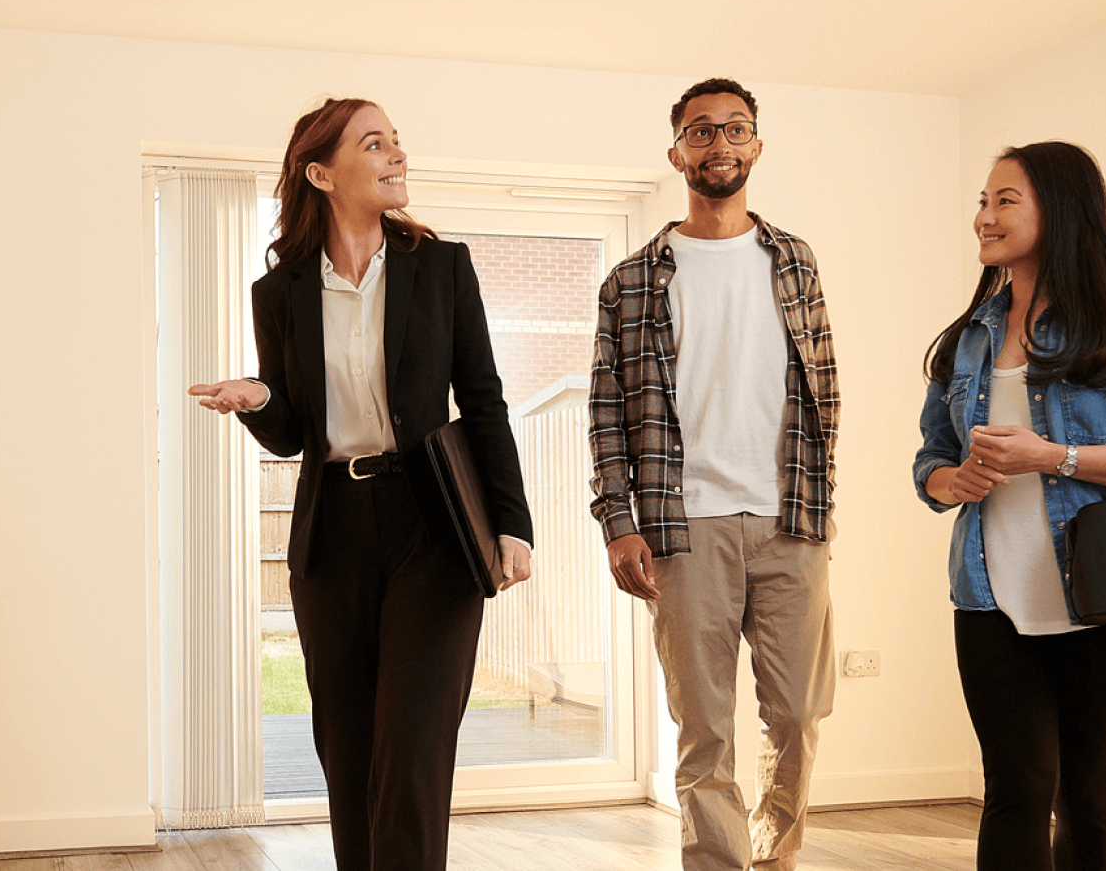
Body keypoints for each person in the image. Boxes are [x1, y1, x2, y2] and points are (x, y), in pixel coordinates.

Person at [189, 98, 533, 871]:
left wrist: (512, 524)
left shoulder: (440, 267)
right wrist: (257, 399)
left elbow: (483, 399)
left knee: (409, 752)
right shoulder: (278, 294)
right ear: (321, 172)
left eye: (396, 142)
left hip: (434, 524)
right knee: (347, 752)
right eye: (374, 144)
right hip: (333, 532)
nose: (396, 155)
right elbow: (291, 431)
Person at [912, 141, 1106, 870]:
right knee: (1015, 789)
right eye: (981, 204)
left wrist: (1053, 457)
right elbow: (930, 455)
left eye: (1004, 201)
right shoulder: (971, 335)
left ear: (1061, 210)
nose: (984, 218)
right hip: (990, 597)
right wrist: (946, 482)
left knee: (1087, 794)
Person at [588, 78, 838, 871]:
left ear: (757, 146)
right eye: (701, 132)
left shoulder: (795, 261)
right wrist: (618, 520)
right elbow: (605, 410)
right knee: (704, 729)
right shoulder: (632, 280)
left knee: (797, 715)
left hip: (789, 522)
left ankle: (775, 854)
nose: (719, 144)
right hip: (681, 524)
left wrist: (820, 501)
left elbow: (824, 387)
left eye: (735, 129)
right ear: (677, 153)